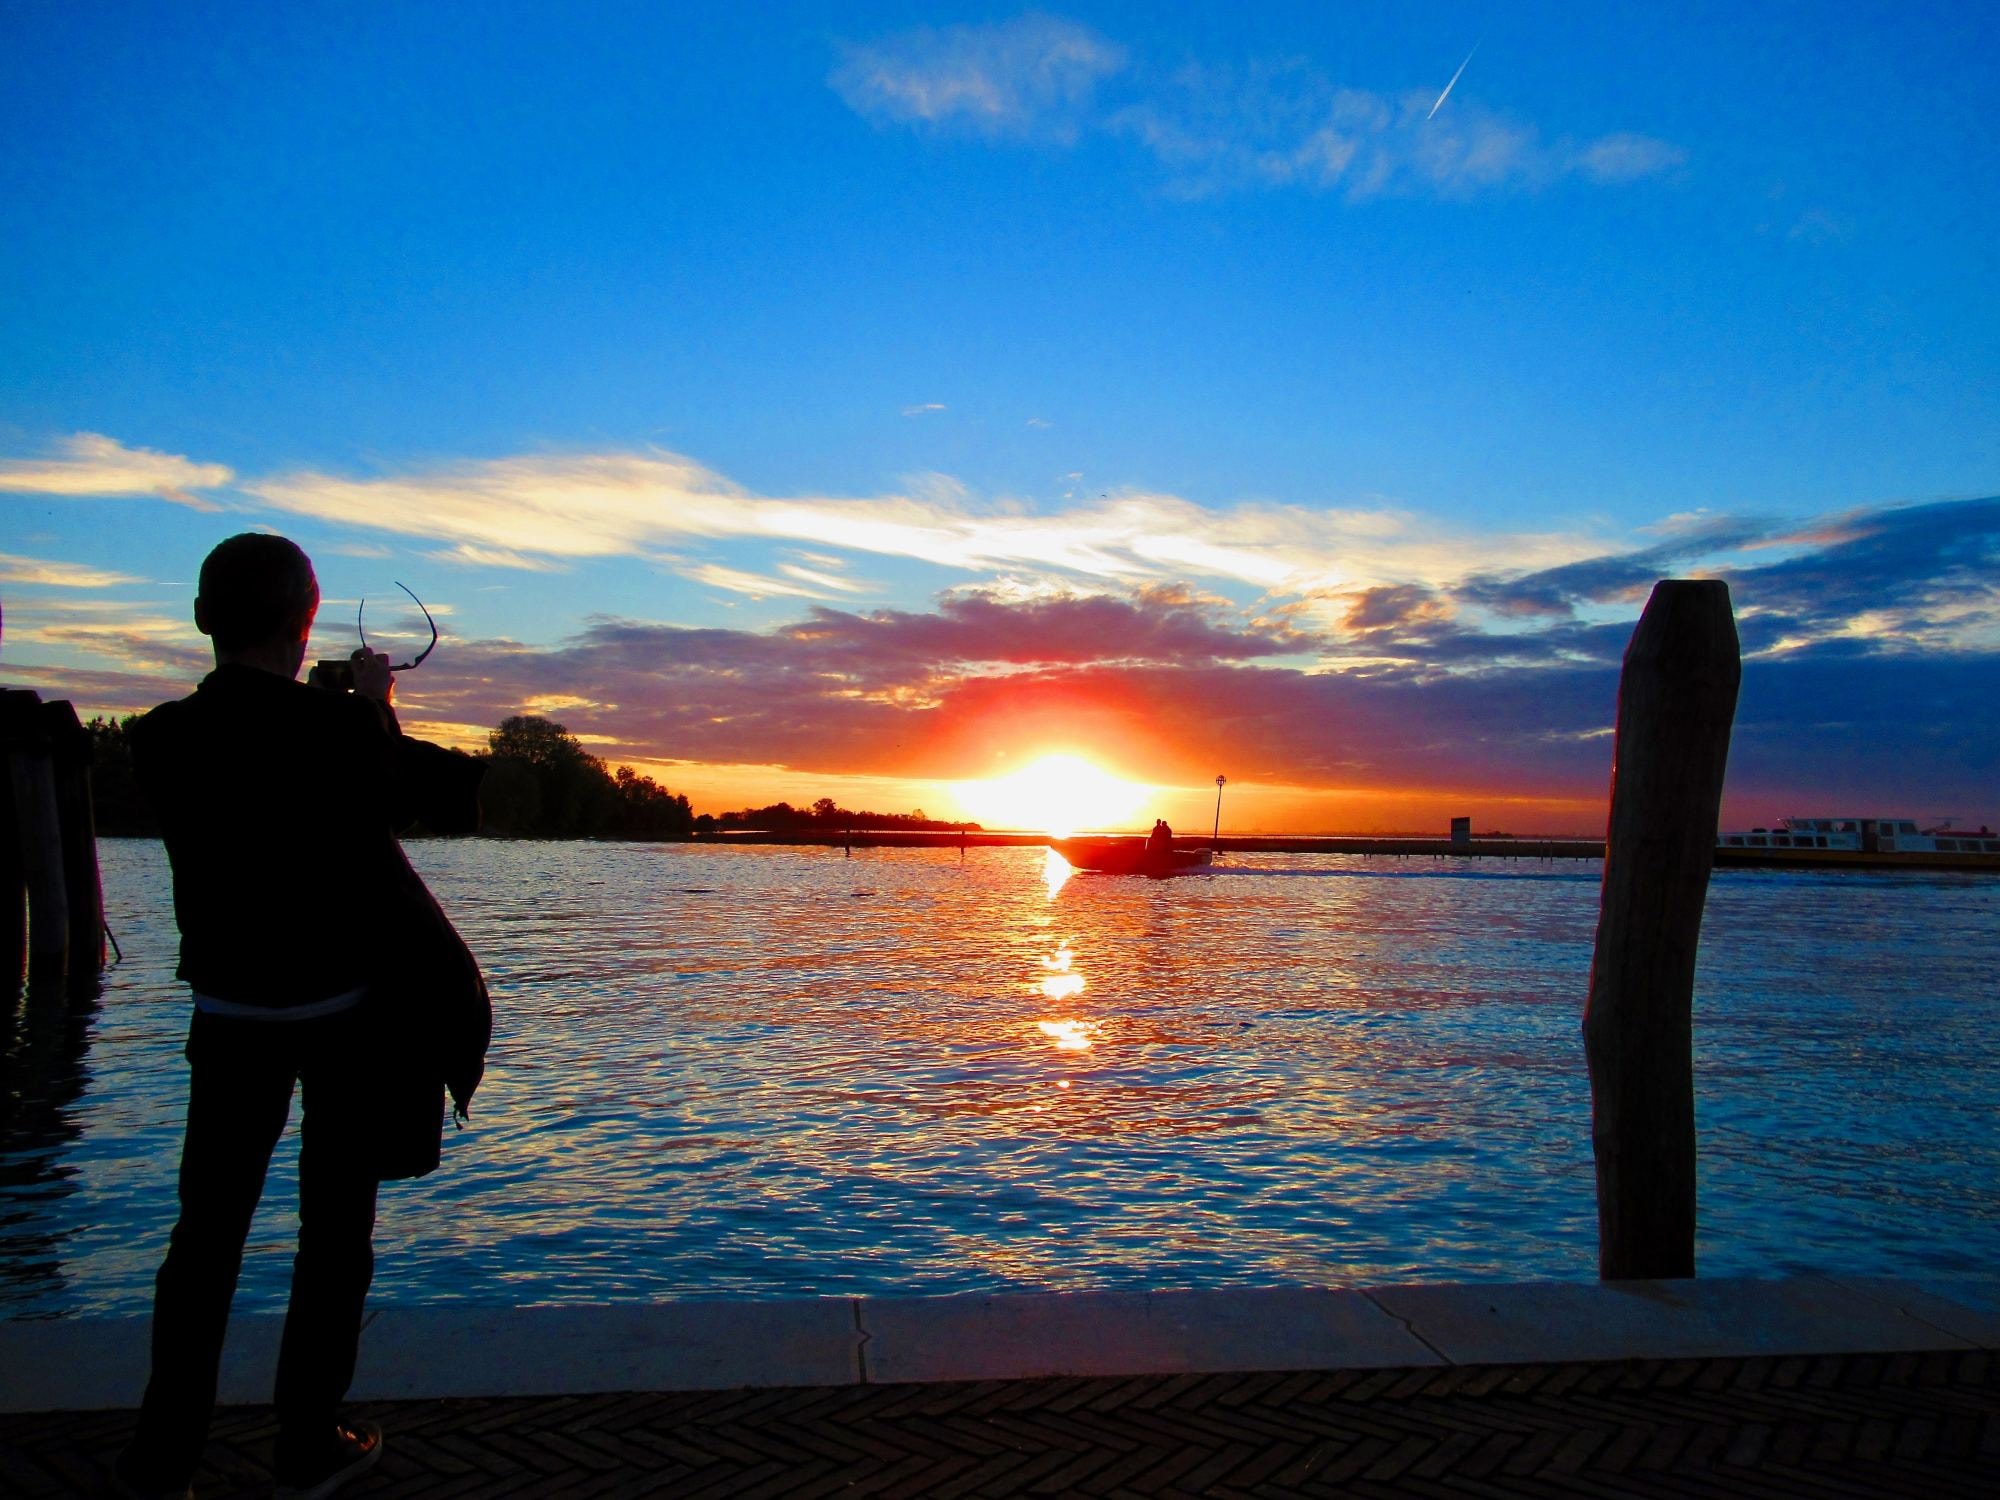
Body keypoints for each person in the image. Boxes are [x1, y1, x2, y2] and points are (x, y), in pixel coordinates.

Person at [114, 533, 488, 1500]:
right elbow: (448, 798)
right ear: (304, 620)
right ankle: (306, 1439)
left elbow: (250, 742)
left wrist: (346, 715)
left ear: (204, 618)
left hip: (227, 1018)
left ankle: (162, 1463)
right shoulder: (341, 734)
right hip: (341, 1022)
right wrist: (373, 709)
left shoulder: (157, 738)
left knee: (203, 1242)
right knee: (334, 1233)